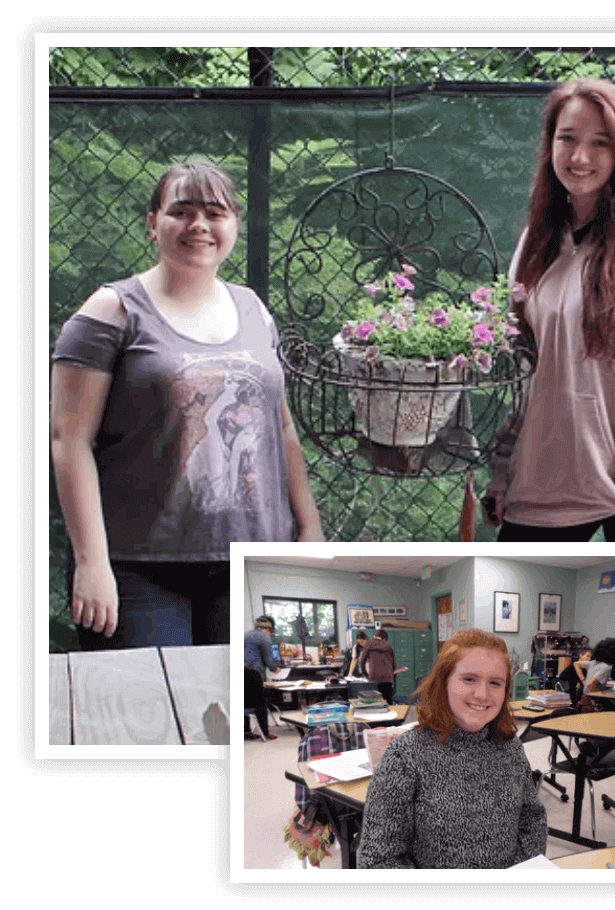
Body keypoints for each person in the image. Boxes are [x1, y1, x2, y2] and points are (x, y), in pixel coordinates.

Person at [51, 158, 324, 650]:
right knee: (151, 720)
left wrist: (311, 529)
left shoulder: (254, 311)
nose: (199, 224)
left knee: (225, 720)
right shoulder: (111, 311)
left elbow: (282, 431)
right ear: (154, 223)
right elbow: (68, 440)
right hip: (138, 569)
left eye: (215, 212)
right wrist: (92, 563)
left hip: (247, 556)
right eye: (182, 210)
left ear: (234, 225)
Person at [483, 79, 615, 542]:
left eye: (599, 143)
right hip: (543, 481)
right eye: (567, 138)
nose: (579, 158)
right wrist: (504, 471)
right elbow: (526, 373)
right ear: (549, 145)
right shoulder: (537, 239)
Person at [357, 629, 547, 868]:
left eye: (495, 683)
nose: (482, 694)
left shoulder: (510, 748)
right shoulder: (405, 756)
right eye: (469, 679)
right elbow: (378, 861)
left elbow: (532, 821)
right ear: (443, 682)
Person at [244, 615, 280, 740]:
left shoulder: (246, 634)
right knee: (260, 704)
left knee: (245, 703)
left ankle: (246, 732)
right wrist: (276, 669)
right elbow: (269, 661)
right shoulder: (264, 637)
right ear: (269, 628)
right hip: (251, 673)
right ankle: (265, 733)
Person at [577, 637, 615, 713]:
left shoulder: (593, 663)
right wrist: (594, 703)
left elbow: (576, 664)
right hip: (595, 701)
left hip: (585, 699)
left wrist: (583, 680)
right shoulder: (606, 667)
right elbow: (590, 684)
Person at [359, 628, 396, 703]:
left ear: (375, 636)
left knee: (374, 703)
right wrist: (391, 675)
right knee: (388, 703)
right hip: (387, 679)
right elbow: (394, 664)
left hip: (374, 678)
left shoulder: (369, 644)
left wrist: (365, 675)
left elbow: (362, 661)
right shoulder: (388, 645)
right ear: (385, 638)